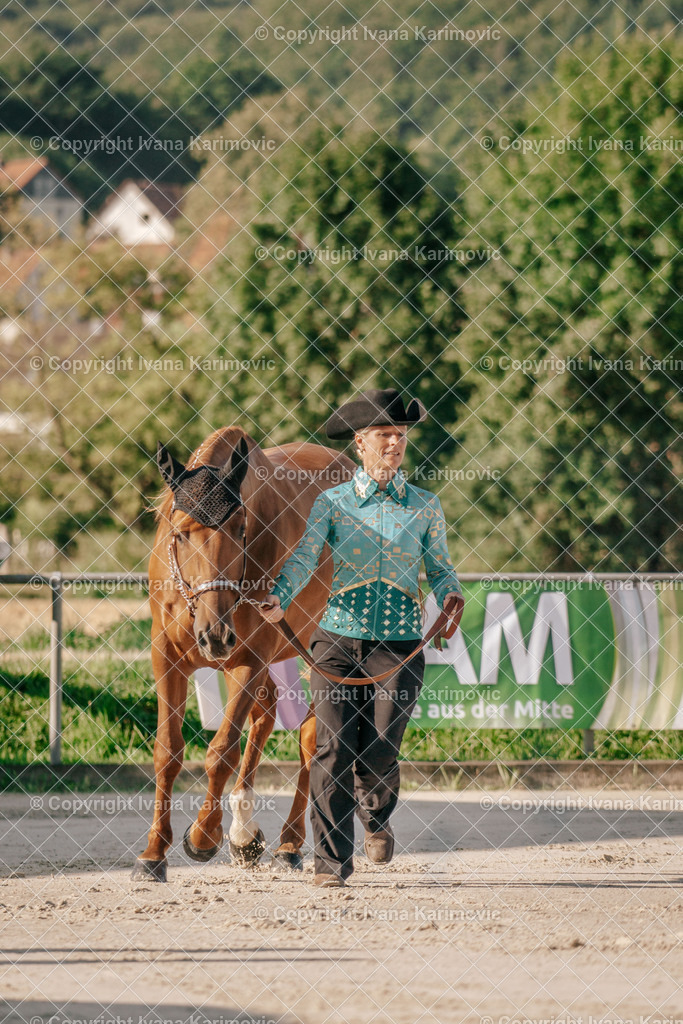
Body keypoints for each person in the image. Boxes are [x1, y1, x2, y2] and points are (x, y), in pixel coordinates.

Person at [258, 388, 464, 887]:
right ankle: (331, 864)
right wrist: (279, 595)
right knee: (330, 749)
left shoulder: (425, 506)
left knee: (380, 750)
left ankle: (375, 814)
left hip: (398, 645)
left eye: (401, 435)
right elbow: (305, 557)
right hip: (336, 640)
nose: (395, 443)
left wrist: (451, 594)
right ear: (360, 443)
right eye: (384, 435)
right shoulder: (332, 503)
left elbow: (439, 567)